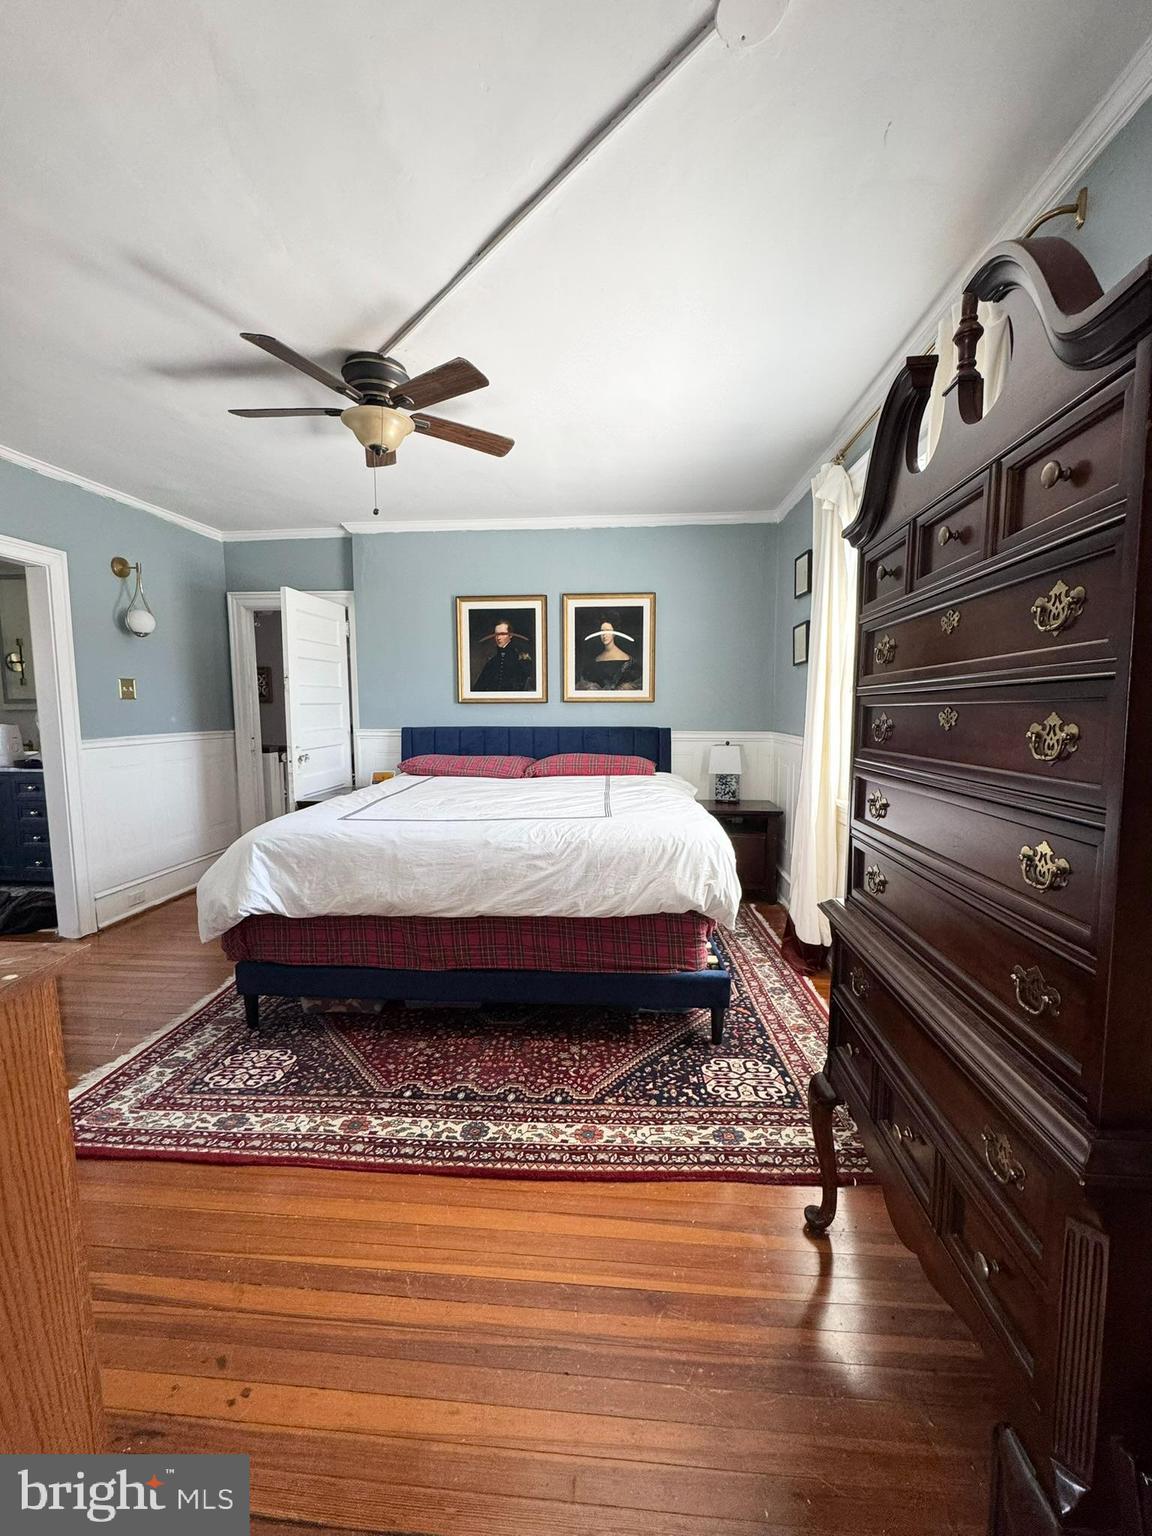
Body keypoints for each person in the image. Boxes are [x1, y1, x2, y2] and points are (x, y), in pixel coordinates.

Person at [577, 619, 642, 690]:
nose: (604, 635)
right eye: (602, 632)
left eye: (608, 631)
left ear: (614, 633)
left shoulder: (629, 662)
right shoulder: (594, 661)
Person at [472, 618, 535, 691]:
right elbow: (479, 687)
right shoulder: (492, 661)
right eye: (496, 634)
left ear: (510, 635)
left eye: (502, 634)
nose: (498, 638)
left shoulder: (520, 658)